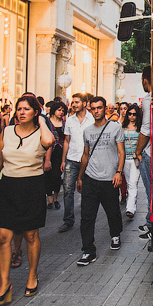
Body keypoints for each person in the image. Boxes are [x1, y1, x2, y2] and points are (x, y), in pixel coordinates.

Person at [0, 95, 54, 304]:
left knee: (31, 236)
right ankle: (4, 285)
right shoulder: (7, 131)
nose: (21, 112)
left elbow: (49, 142)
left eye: (26, 109)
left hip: (32, 187)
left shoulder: (41, 133)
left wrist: (42, 121)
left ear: (35, 112)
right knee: (3, 237)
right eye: (19, 109)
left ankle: (32, 276)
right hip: (9, 187)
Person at [76, 97, 125, 265]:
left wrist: (119, 172)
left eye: (99, 108)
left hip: (109, 179)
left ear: (105, 109)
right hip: (91, 178)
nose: (96, 111)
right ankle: (88, 251)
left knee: (112, 212)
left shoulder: (115, 128)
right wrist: (80, 177)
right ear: (90, 110)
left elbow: (121, 152)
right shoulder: (88, 131)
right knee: (87, 217)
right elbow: (85, 155)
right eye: (93, 108)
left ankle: (115, 234)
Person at [58, 93, 94, 233]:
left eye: (77, 102)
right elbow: (66, 141)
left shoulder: (92, 119)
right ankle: (68, 220)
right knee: (68, 190)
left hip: (88, 161)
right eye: (73, 102)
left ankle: (86, 219)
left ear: (85, 104)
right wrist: (63, 159)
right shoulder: (70, 120)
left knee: (87, 191)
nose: (74, 104)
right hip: (71, 159)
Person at [136, 66, 153, 239]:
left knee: (150, 192)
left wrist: (138, 151)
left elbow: (146, 129)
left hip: (149, 153)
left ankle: (151, 224)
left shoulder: (149, 100)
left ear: (145, 80)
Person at [45, 101, 67, 210]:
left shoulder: (64, 123)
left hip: (60, 152)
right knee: (47, 176)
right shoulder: (47, 122)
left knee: (57, 176)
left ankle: (56, 198)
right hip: (49, 152)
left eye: (63, 110)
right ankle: (49, 199)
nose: (61, 112)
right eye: (59, 110)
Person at [122, 104, 142, 218]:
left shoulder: (140, 128)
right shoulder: (123, 127)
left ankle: (130, 209)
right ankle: (131, 206)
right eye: (130, 114)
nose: (132, 116)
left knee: (132, 184)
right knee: (129, 183)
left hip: (136, 160)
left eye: (134, 114)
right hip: (125, 159)